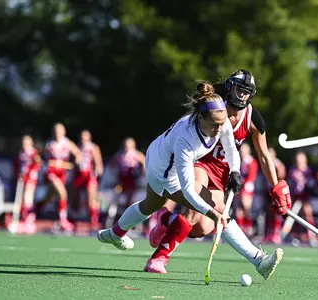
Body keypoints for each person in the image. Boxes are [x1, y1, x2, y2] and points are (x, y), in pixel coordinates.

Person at [145, 70, 291, 277]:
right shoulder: (213, 103)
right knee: (201, 209)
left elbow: (264, 155)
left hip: (223, 173)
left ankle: (166, 220)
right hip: (199, 163)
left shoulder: (253, 118)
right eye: (239, 90)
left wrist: (274, 186)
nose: (242, 96)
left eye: (247, 92)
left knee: (202, 228)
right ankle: (159, 258)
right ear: (230, 87)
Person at [97, 81, 243, 265]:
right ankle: (258, 259)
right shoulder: (186, 139)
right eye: (215, 125)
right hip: (162, 172)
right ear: (200, 118)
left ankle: (115, 233)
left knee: (150, 205)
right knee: (213, 207)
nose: (220, 129)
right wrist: (213, 213)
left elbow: (231, 148)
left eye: (222, 124)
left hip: (158, 152)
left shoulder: (219, 121)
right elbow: (189, 191)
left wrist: (235, 171)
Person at [35, 123, 81, 233]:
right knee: (62, 194)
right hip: (50, 173)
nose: (57, 133)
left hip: (62, 174)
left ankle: (33, 211)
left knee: (50, 197)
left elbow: (78, 154)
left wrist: (76, 162)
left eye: (60, 130)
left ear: (64, 132)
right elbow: (39, 156)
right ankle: (63, 221)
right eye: (55, 130)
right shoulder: (49, 144)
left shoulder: (67, 143)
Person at [105, 137, 146, 228]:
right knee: (115, 200)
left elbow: (144, 163)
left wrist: (141, 174)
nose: (127, 147)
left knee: (130, 201)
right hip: (121, 181)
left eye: (129, 145)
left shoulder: (136, 154)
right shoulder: (120, 155)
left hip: (131, 181)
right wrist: (114, 175)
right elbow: (111, 164)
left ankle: (130, 222)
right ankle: (110, 221)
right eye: (126, 145)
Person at [71, 130, 104, 233]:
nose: (83, 139)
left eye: (85, 137)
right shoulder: (77, 148)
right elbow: (73, 161)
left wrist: (97, 171)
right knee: (75, 199)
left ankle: (93, 224)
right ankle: (72, 222)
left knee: (91, 199)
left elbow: (98, 162)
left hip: (89, 175)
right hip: (79, 175)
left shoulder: (93, 147)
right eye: (82, 137)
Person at [12, 135, 42, 234]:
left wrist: (30, 173)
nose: (24, 144)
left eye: (26, 142)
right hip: (22, 179)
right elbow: (17, 165)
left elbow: (37, 163)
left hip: (30, 179)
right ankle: (22, 220)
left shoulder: (33, 153)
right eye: (23, 142)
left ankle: (29, 221)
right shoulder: (21, 153)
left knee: (27, 199)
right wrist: (19, 174)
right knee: (21, 200)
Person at [287, 151, 315, 245]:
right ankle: (295, 235)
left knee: (307, 213)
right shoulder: (293, 171)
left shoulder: (308, 171)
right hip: (295, 196)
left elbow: (311, 184)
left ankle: (311, 236)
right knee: (294, 216)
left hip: (305, 197)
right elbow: (290, 184)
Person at [263, 146, 288, 244]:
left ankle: (276, 233)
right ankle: (268, 233)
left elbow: (282, 175)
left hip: (275, 191)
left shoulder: (278, 164)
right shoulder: (265, 162)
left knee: (276, 213)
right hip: (267, 191)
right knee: (267, 212)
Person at [235, 142, 259, 236]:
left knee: (246, 208)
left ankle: (249, 227)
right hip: (240, 187)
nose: (243, 152)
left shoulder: (251, 161)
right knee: (239, 209)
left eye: (245, 150)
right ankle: (240, 228)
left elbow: (251, 176)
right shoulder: (240, 161)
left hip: (247, 188)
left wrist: (242, 185)